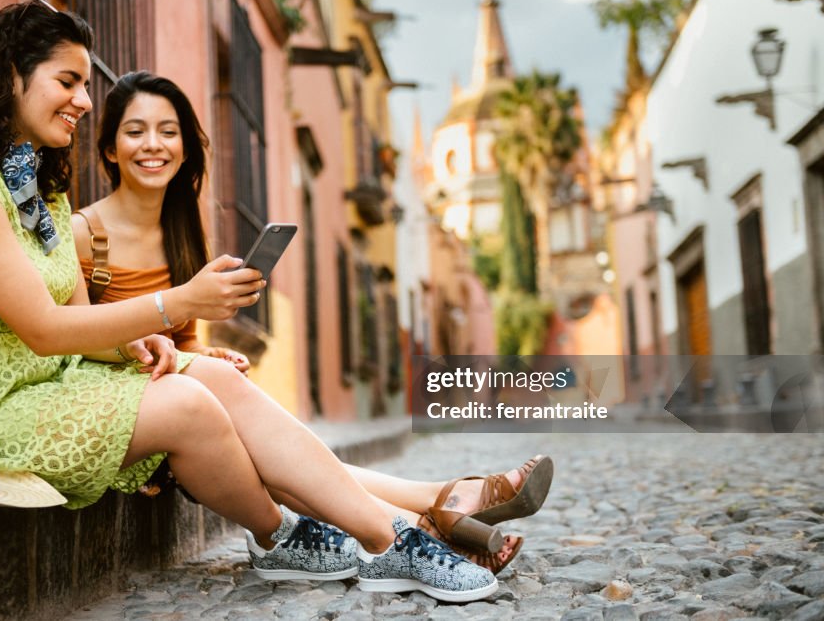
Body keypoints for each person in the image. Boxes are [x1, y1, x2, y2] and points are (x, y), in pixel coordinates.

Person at [71, 70, 555, 576]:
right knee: (283, 458)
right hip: (132, 416)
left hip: (186, 402)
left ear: (187, 147)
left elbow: (182, 339)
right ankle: (438, 514)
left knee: (290, 461)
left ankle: (439, 520)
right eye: (135, 131)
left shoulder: (184, 231)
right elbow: (74, 338)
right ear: (109, 149)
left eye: (169, 132)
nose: (154, 145)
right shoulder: (85, 233)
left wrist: (206, 355)